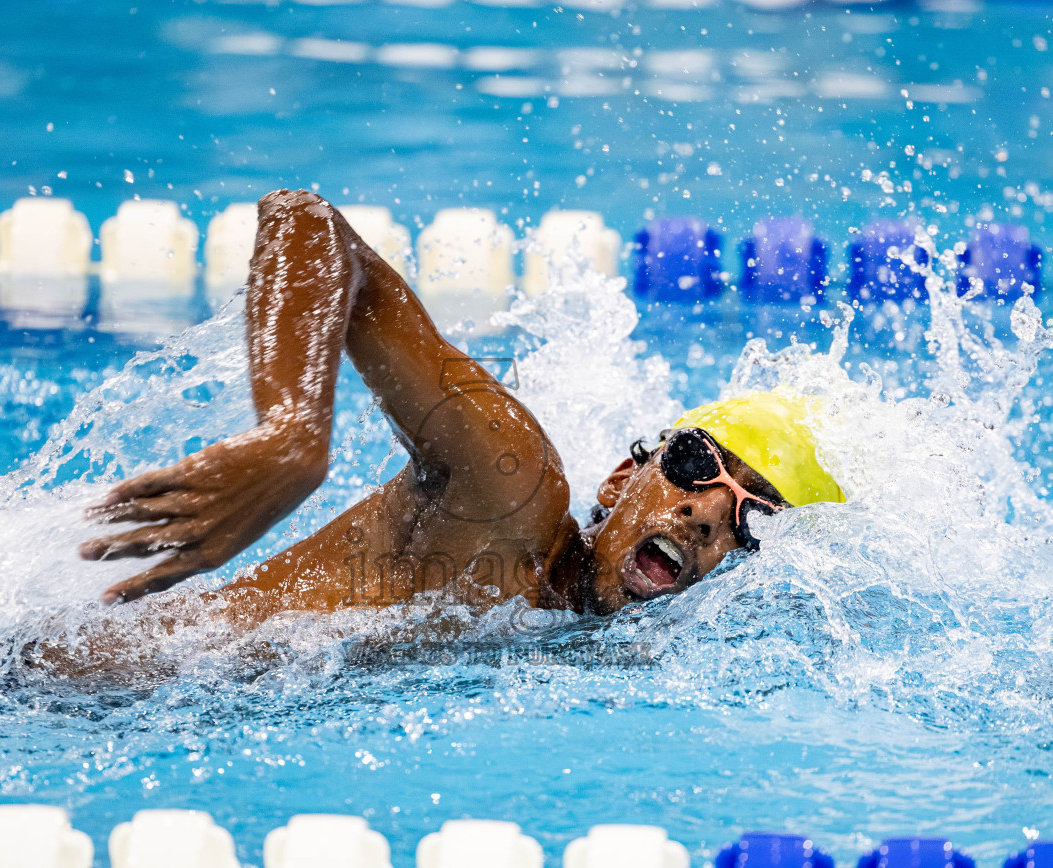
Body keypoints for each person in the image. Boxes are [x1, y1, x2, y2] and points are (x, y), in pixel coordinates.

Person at [78, 190, 845, 631]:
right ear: (620, 478)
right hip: (66, 680)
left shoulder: (580, 638)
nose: (706, 513)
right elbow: (306, 223)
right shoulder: (510, 492)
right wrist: (293, 433)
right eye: (694, 465)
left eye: (753, 517)